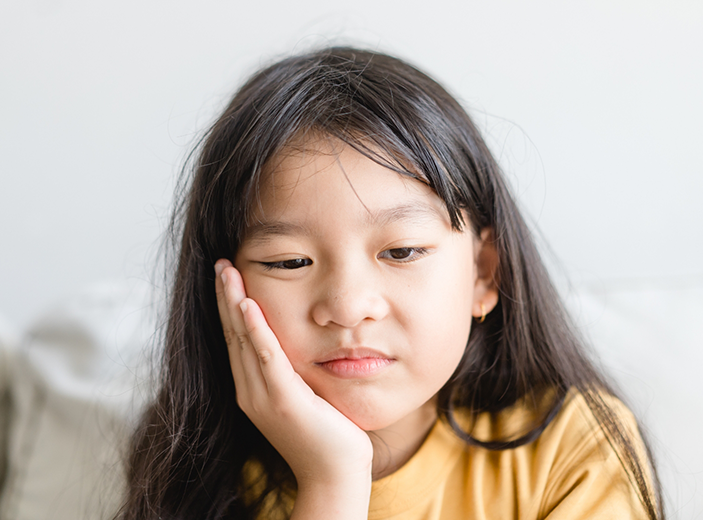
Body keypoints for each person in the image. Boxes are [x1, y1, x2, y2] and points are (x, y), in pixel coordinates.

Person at [117, 47, 663, 519]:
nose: (349, 307)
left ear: (483, 272)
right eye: (288, 262)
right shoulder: (194, 474)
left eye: (402, 251)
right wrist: (331, 482)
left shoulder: (572, 444)